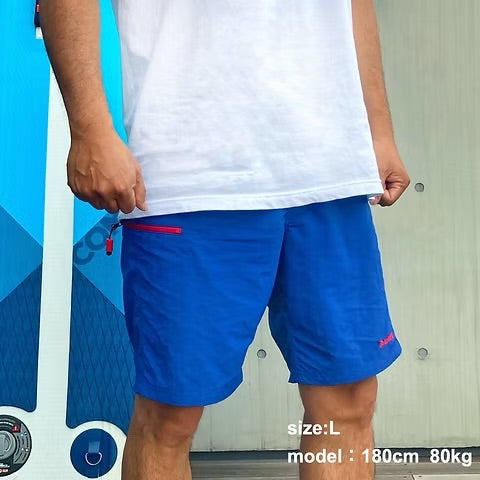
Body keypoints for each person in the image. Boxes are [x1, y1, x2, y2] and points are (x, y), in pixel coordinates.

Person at [40, 0, 410, 478]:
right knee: (169, 417)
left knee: (349, 400)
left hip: (329, 170)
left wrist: (378, 131)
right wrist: (89, 130)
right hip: (192, 175)